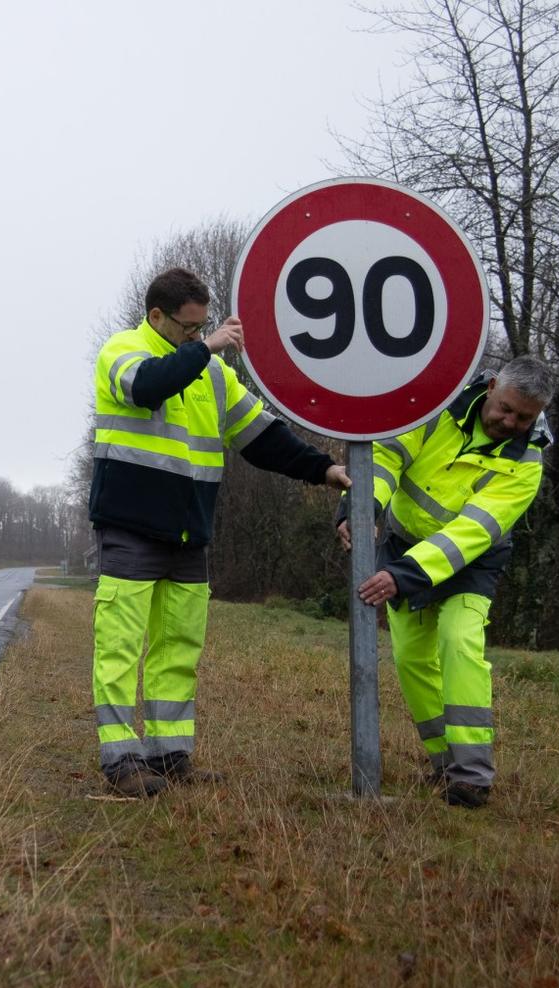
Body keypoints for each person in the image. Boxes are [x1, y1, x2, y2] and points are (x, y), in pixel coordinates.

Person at [90, 267, 350, 798]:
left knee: (179, 648)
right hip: (132, 528)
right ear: (156, 316)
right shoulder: (122, 351)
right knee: (119, 646)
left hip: (189, 533)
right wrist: (206, 347)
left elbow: (262, 436)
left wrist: (322, 470)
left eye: (201, 327)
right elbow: (147, 387)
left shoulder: (209, 373)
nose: (195, 335)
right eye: (188, 328)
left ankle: (168, 756)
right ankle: (120, 761)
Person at [336, 356, 554, 808]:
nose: (510, 422)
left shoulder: (527, 463)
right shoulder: (434, 408)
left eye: (523, 418)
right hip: (401, 544)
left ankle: (471, 774)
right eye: (506, 409)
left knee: (458, 642)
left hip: (471, 563)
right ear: (492, 387)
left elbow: (471, 533)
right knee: (413, 659)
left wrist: (404, 575)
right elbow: (389, 453)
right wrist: (361, 508)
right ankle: (442, 763)